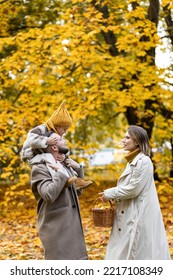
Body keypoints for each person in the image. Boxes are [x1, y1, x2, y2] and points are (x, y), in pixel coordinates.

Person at [100, 125, 171, 260]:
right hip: (129, 212)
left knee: (139, 251)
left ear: (137, 141)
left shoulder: (144, 161)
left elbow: (134, 189)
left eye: (127, 137)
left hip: (138, 213)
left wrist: (110, 193)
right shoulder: (133, 161)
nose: (124, 140)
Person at [31, 131, 88, 260]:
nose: (65, 141)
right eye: (61, 139)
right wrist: (61, 174)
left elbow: (77, 192)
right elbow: (48, 194)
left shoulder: (63, 165)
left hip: (72, 226)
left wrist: (78, 168)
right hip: (56, 229)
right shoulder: (40, 168)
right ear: (54, 147)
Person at [21, 99, 92, 190]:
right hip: (31, 156)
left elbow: (61, 148)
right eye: (64, 129)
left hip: (41, 153)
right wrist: (46, 140)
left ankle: (75, 180)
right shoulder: (41, 129)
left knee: (61, 161)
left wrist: (64, 157)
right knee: (49, 158)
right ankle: (61, 178)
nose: (65, 132)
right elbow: (31, 140)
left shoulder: (55, 135)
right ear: (57, 126)